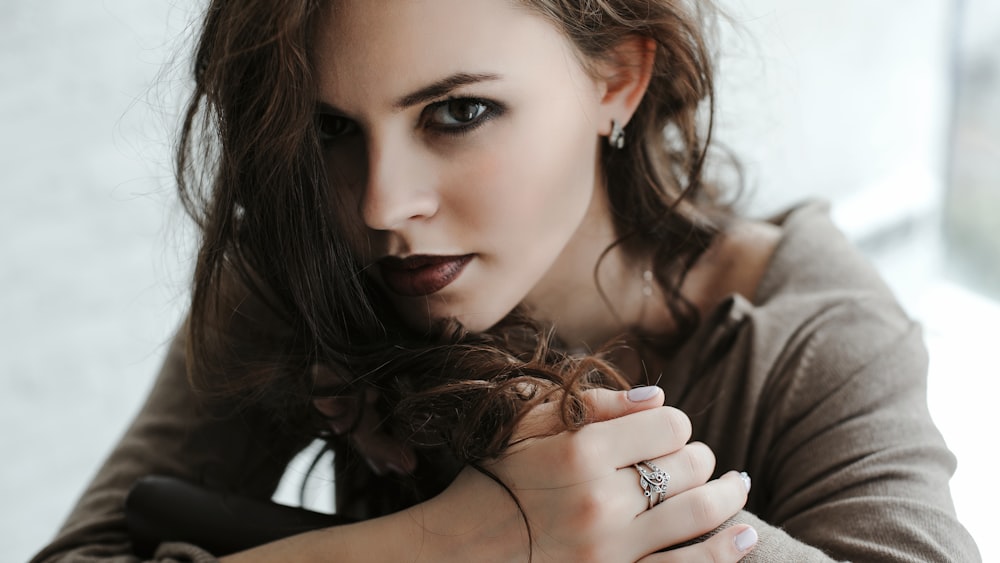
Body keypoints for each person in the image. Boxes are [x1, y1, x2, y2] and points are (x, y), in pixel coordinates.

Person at [33, 0, 980, 561]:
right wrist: (453, 543)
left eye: (458, 112)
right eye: (331, 130)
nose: (381, 204)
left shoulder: (819, 340)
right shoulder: (307, 276)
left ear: (617, 76)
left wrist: (614, 496)